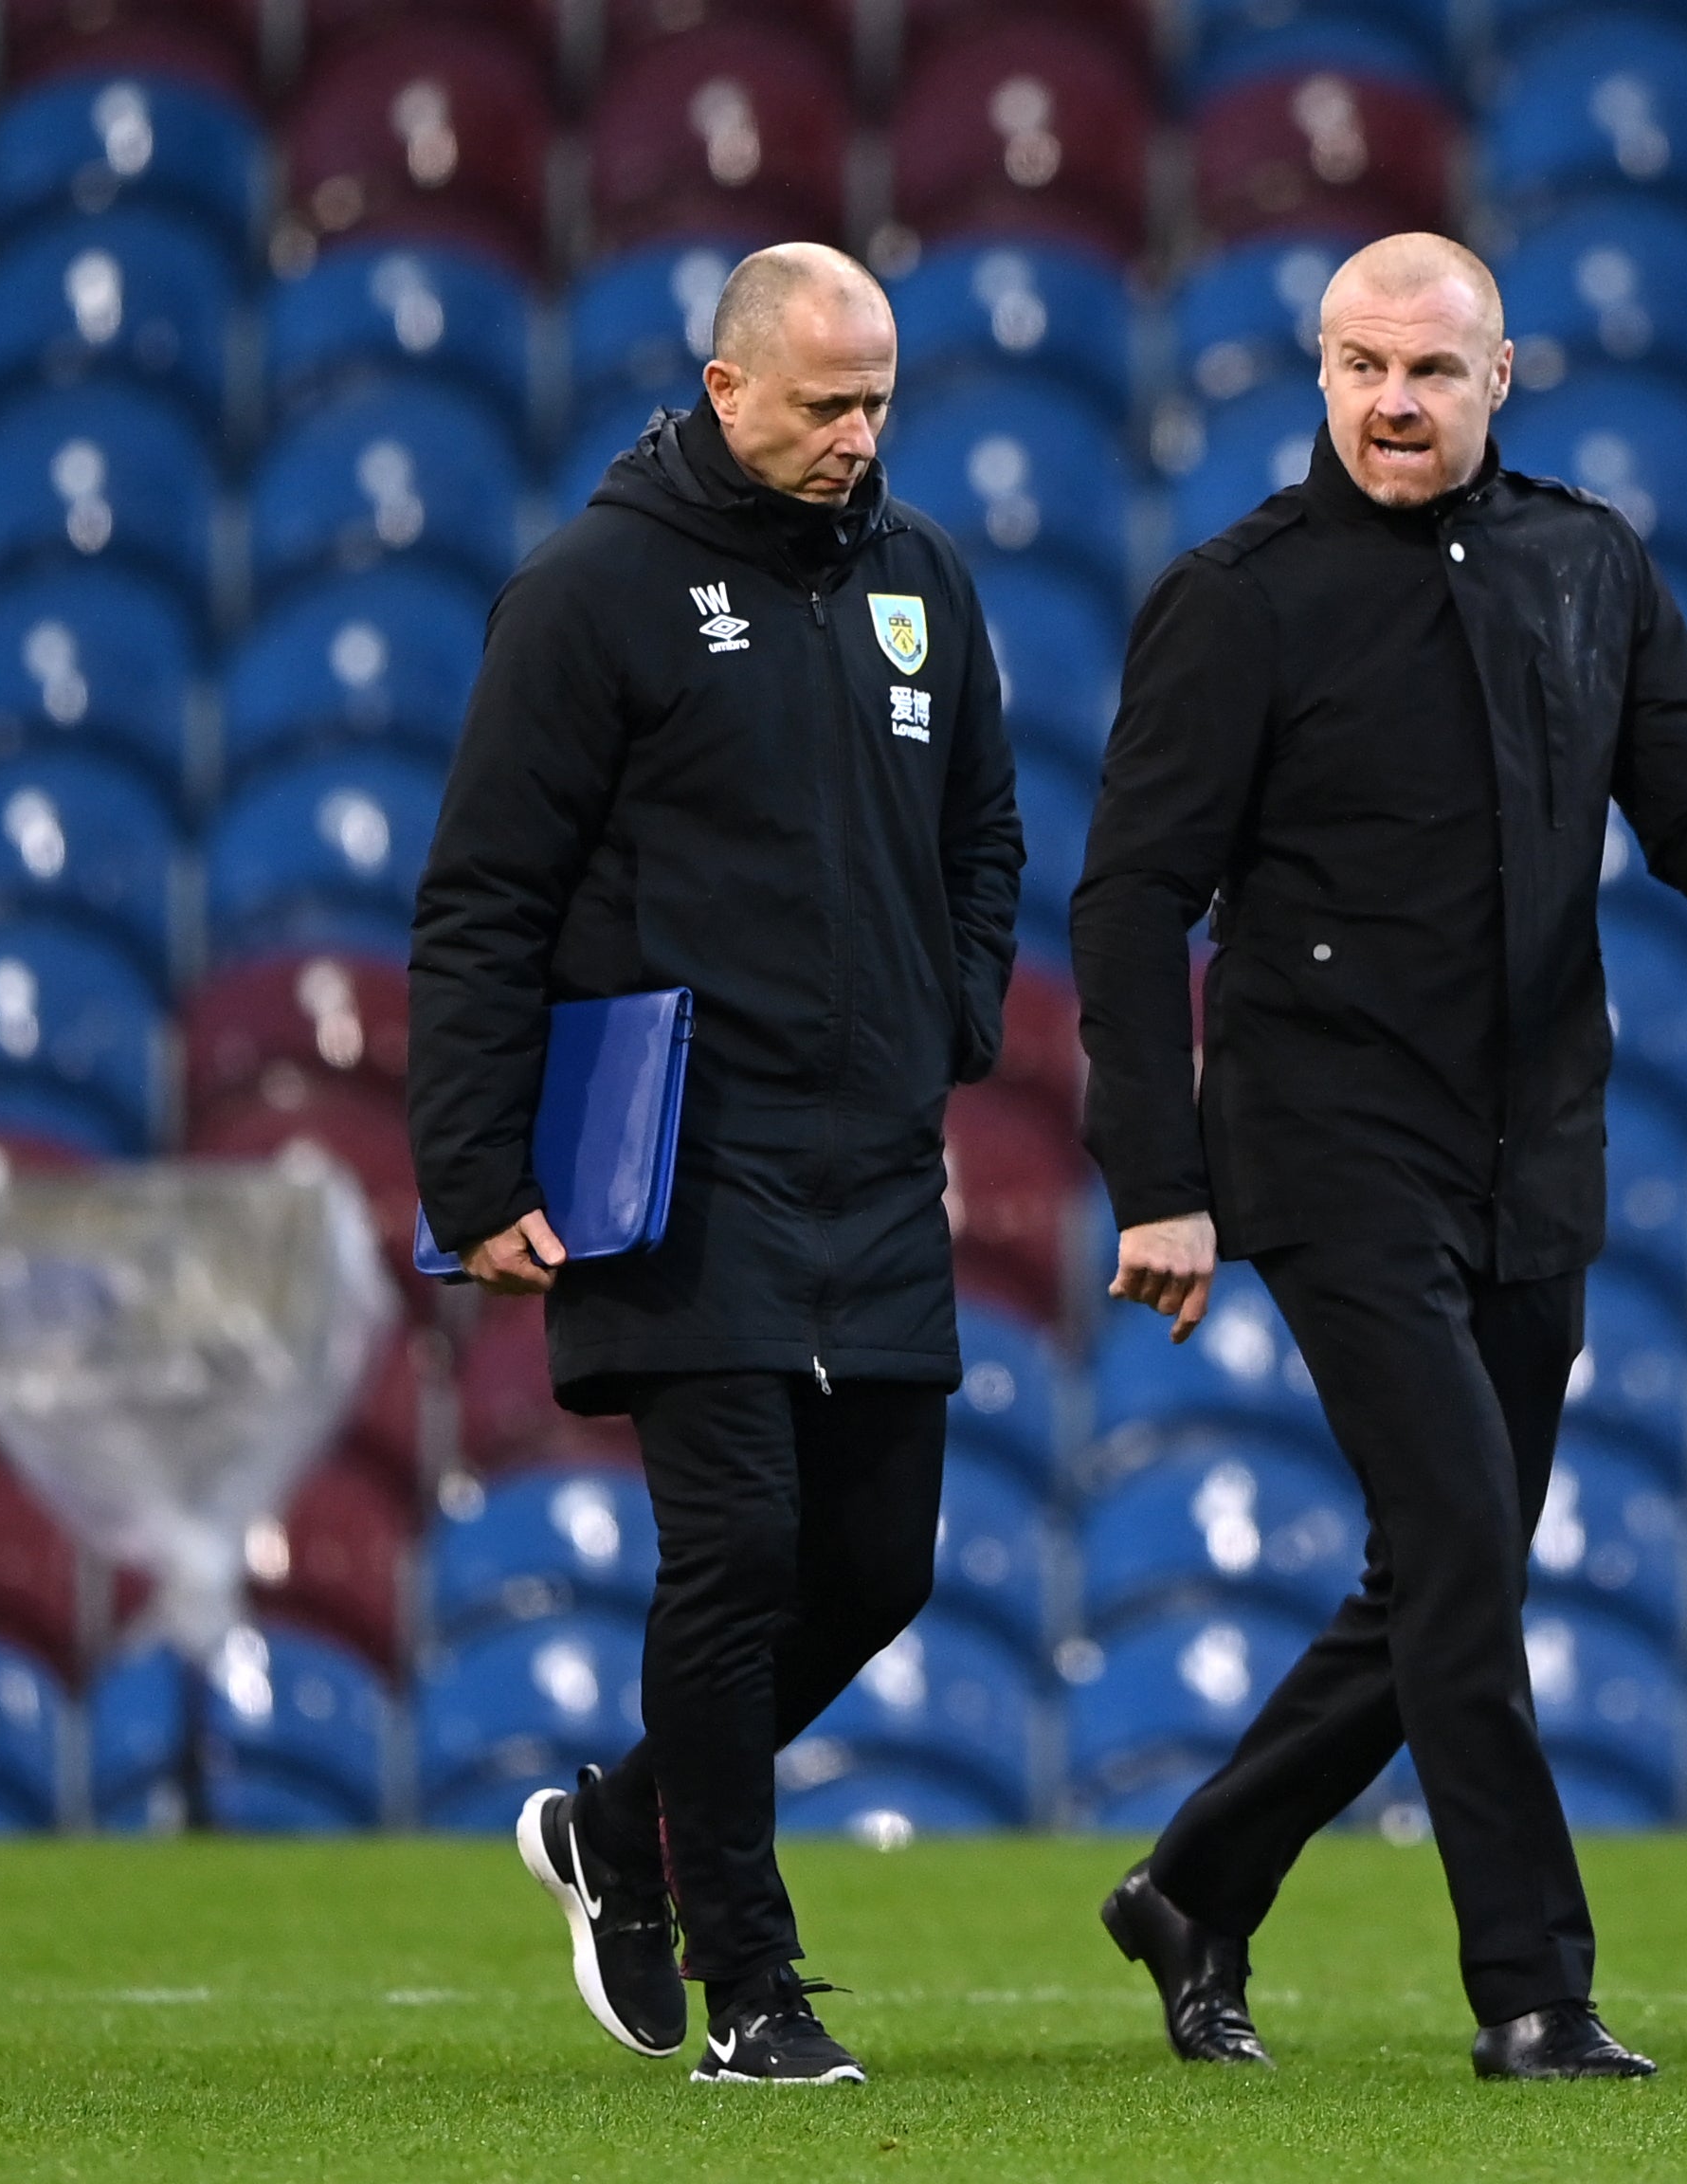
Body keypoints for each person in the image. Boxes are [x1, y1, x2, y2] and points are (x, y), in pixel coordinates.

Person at [1072, 233, 1687, 2081]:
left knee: (1448, 1568)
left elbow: (1686, 779)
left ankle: (1195, 1880)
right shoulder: (1234, 598)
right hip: (1327, 1140)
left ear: (1506, 373)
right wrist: (1158, 1178)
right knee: (1457, 1551)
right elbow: (1126, 903)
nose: (1391, 400)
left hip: (1530, 1138)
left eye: (1426, 369)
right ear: (1319, 376)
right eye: (1357, 367)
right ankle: (1529, 1992)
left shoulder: (1586, 564)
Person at [406, 243, 1023, 2088]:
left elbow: (983, 836)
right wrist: (468, 1165)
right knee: (740, 1549)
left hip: (871, 1154)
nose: (856, 437)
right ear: (725, 387)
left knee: (877, 1568)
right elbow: (483, 896)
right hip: (676, 1157)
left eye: (878, 402)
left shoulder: (922, 585)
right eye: (824, 402)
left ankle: (615, 1826)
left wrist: (951, 1021)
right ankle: (753, 1987)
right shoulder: (590, 591)